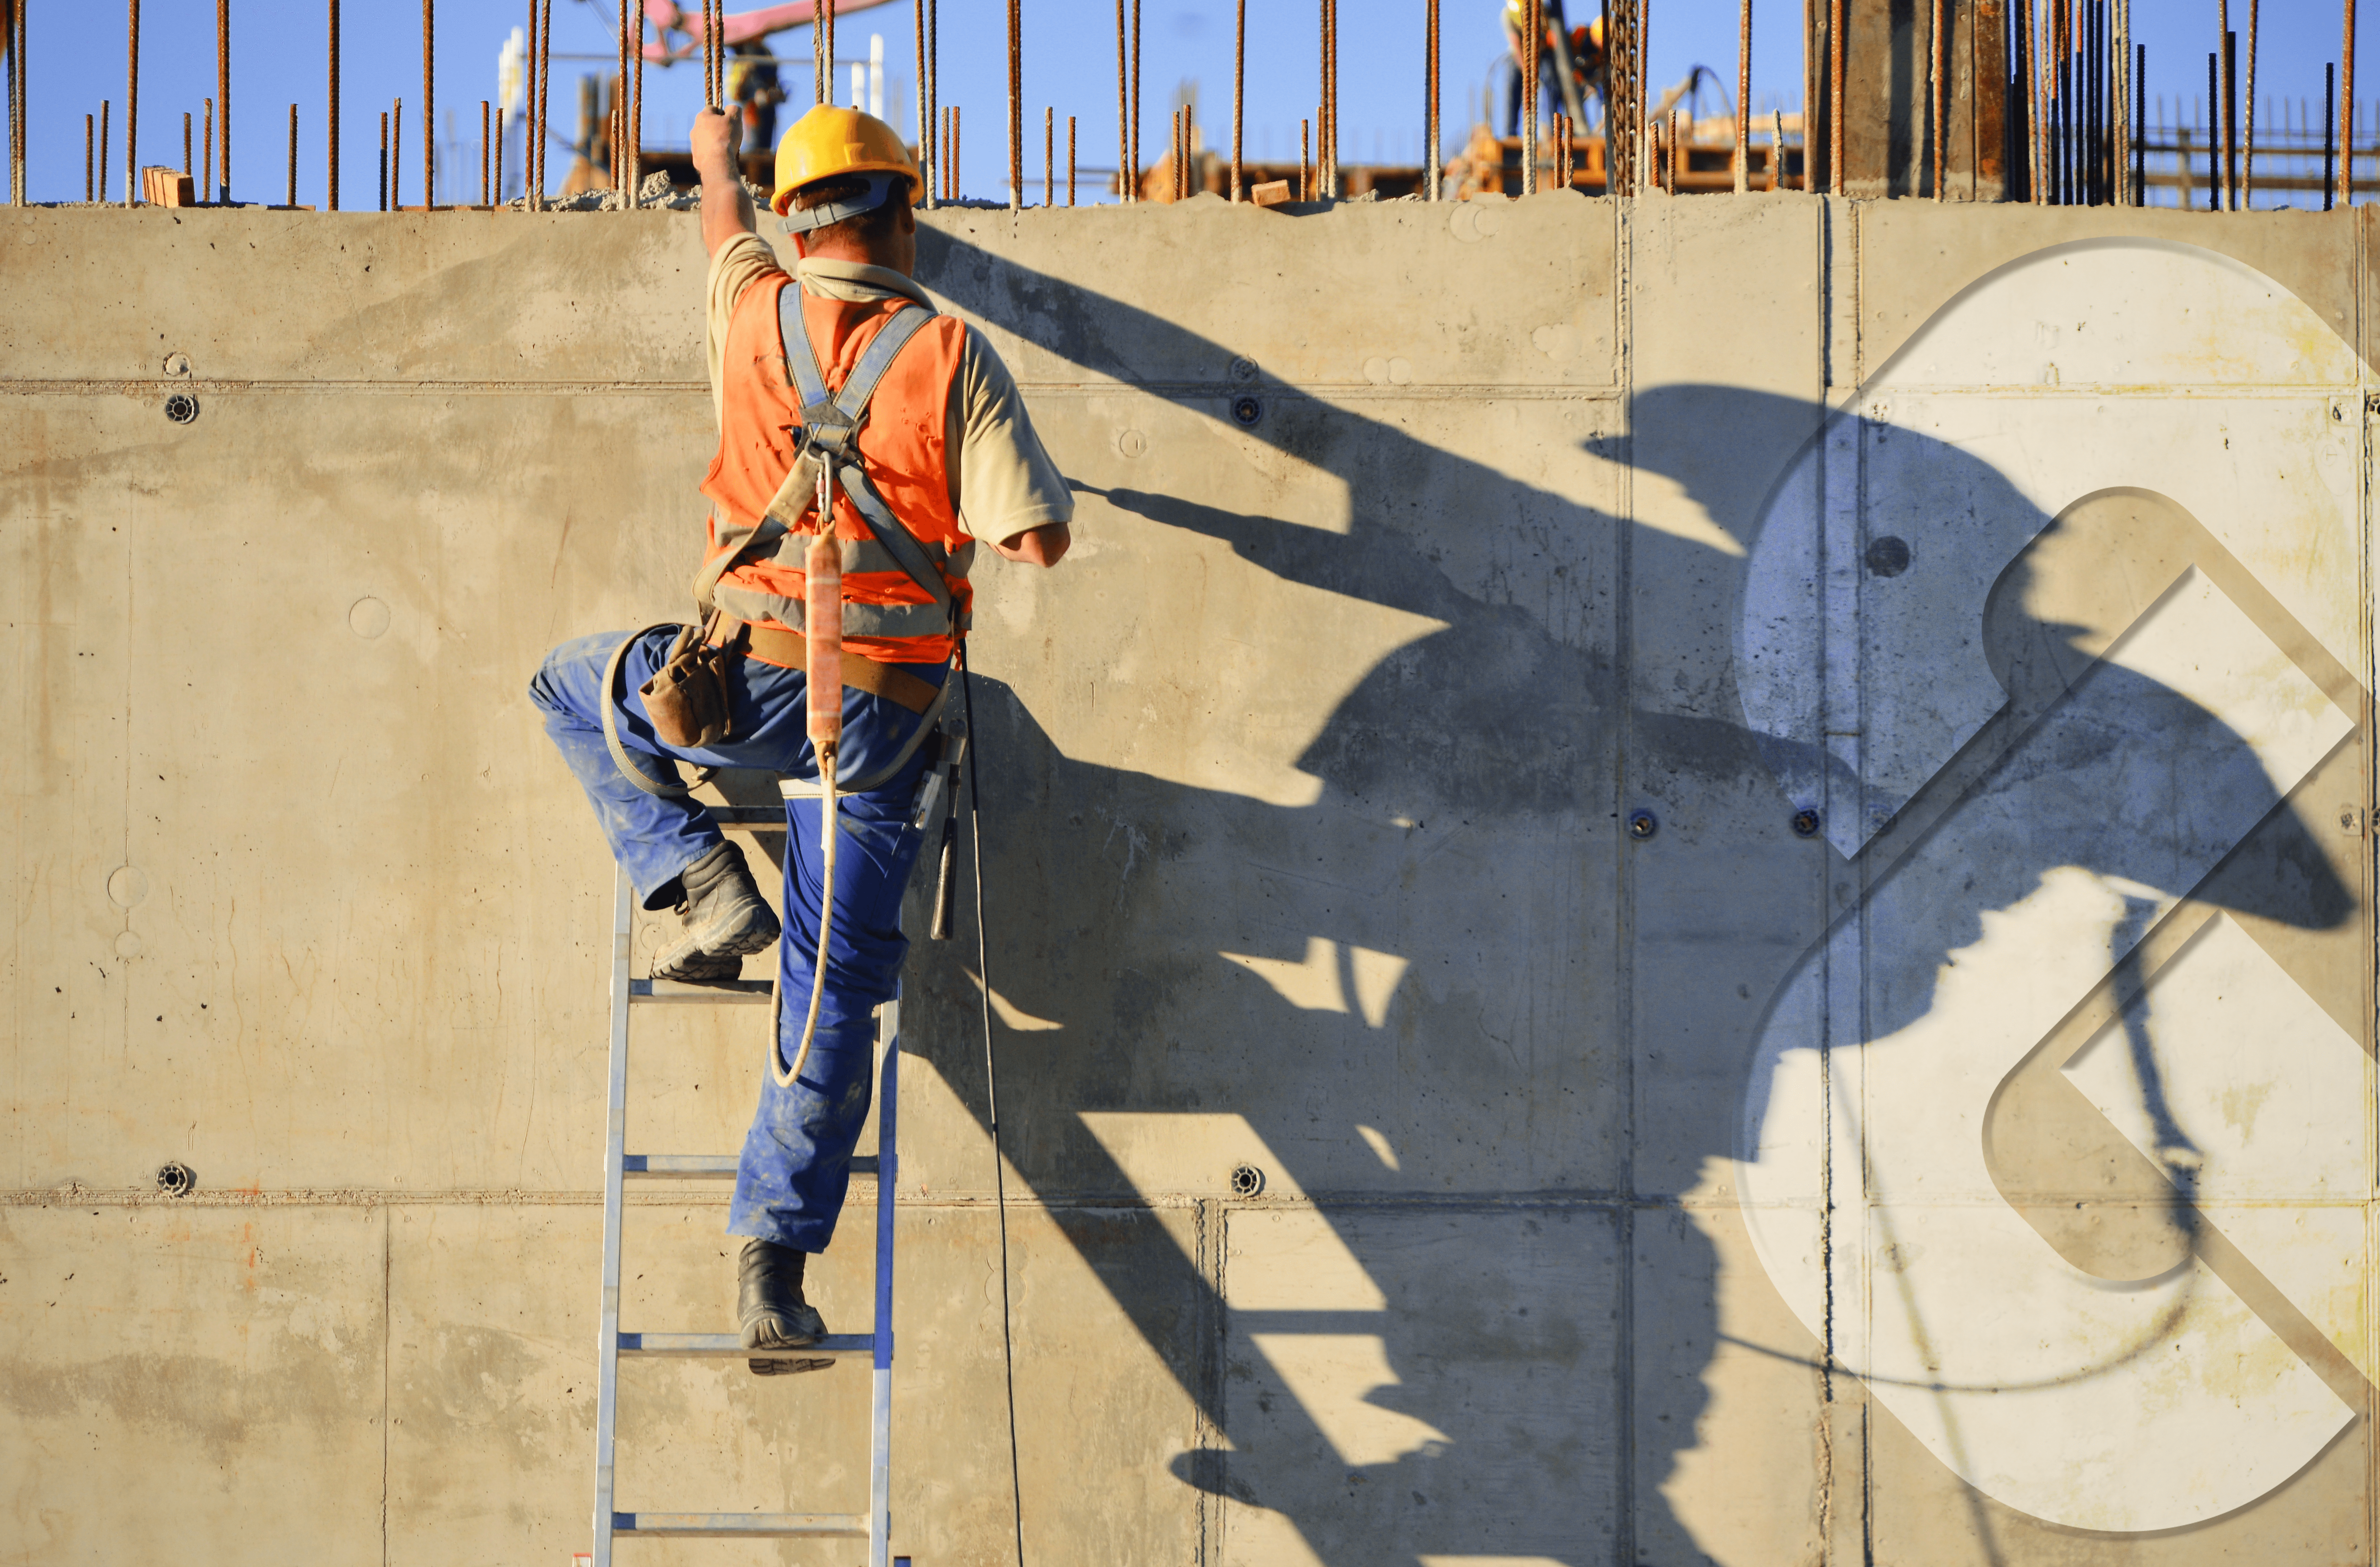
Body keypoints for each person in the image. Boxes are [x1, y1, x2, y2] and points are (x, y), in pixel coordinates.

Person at [528, 102, 1072, 1373]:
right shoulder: (948, 353)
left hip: (735, 700)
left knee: (570, 686)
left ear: (794, 218)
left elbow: (722, 223)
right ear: (901, 215)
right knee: (829, 1001)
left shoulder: (749, 308)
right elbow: (1035, 539)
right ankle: (772, 1266)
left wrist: (718, 158)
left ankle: (704, 885)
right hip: (875, 729)